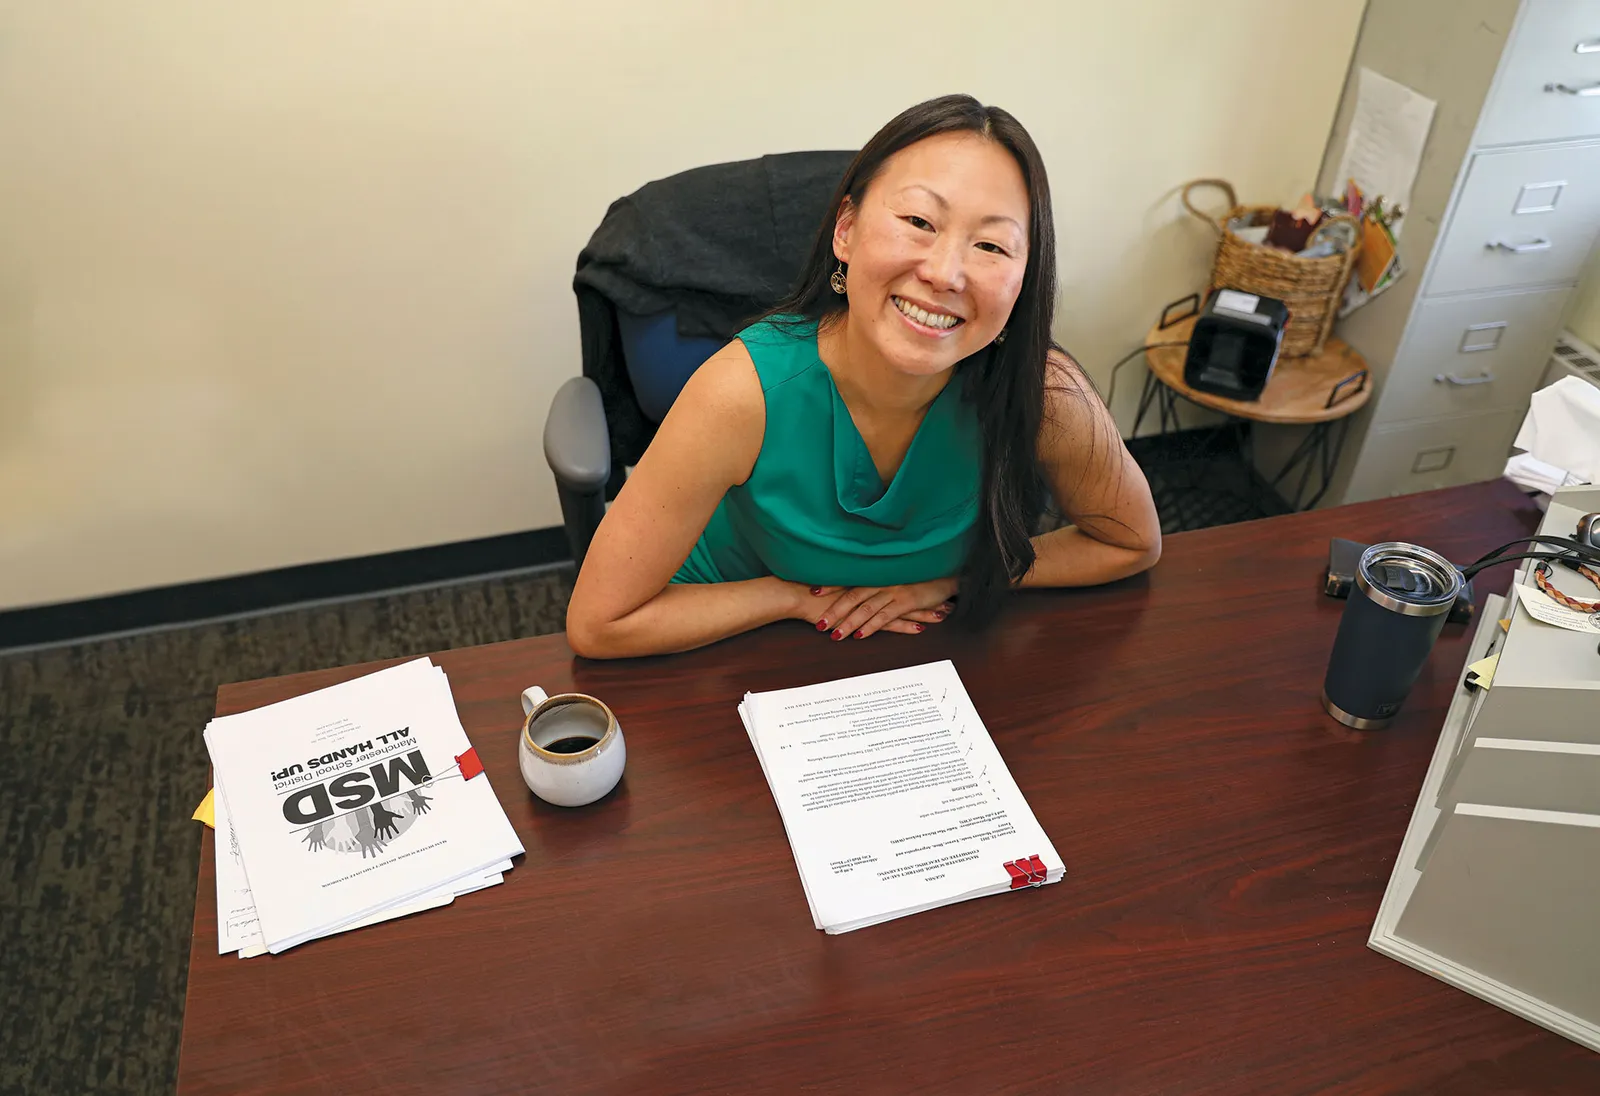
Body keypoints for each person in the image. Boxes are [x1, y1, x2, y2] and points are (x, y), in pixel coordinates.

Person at [565, 94, 1161, 659]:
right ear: (845, 231)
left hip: (925, 647)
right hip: (732, 633)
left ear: (1024, 279)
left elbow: (1130, 541)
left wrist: (952, 580)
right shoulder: (742, 392)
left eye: (991, 246)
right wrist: (792, 597)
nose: (946, 273)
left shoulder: (1045, 392)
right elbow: (600, 623)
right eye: (920, 222)